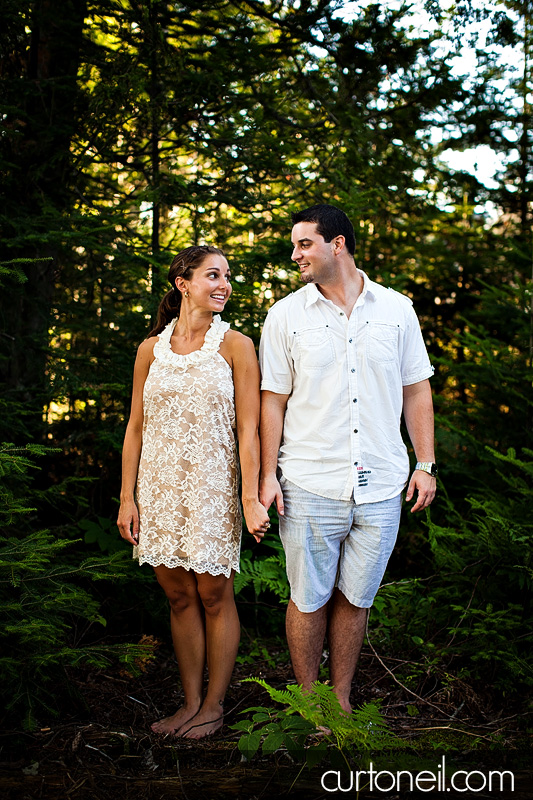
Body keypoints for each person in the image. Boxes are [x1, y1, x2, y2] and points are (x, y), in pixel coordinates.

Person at [259, 204, 436, 713]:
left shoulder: (397, 309)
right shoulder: (286, 315)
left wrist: (425, 463)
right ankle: (309, 705)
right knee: (308, 598)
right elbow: (274, 398)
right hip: (309, 482)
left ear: (338, 244)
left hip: (382, 484)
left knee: (356, 600)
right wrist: (267, 475)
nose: (295, 255)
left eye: (304, 244)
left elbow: (416, 388)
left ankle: (341, 702)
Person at [117, 245, 270, 739]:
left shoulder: (237, 346)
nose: (224, 284)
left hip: (212, 489)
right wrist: (127, 496)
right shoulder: (150, 350)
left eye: (227, 276)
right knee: (178, 595)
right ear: (183, 283)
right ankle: (189, 704)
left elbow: (249, 430)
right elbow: (136, 427)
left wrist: (251, 497)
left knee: (212, 592)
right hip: (158, 488)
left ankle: (213, 707)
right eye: (213, 275)